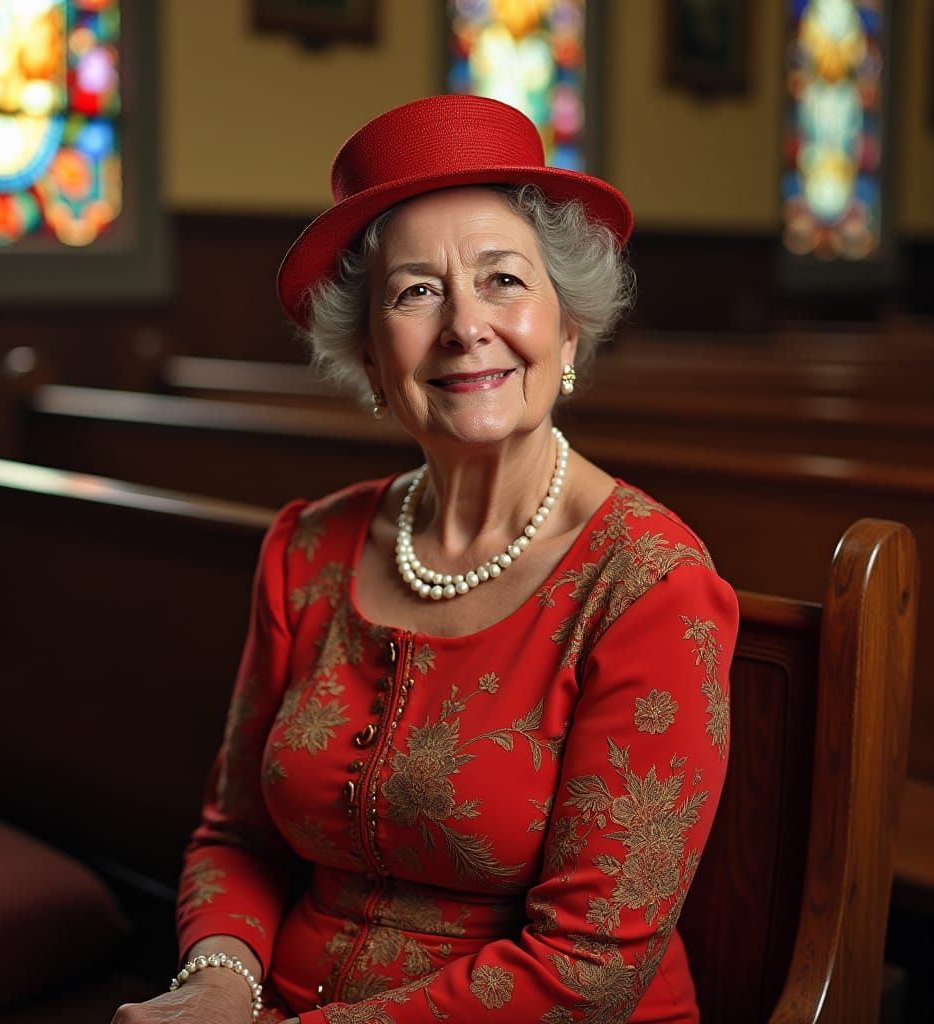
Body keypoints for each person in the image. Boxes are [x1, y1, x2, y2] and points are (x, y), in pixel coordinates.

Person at [112, 94, 738, 1024]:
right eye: (415, 292)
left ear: (567, 328)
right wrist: (216, 985)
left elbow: (591, 967)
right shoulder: (307, 549)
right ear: (370, 356)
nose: (463, 326)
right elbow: (238, 835)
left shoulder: (652, 584)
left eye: (503, 281)